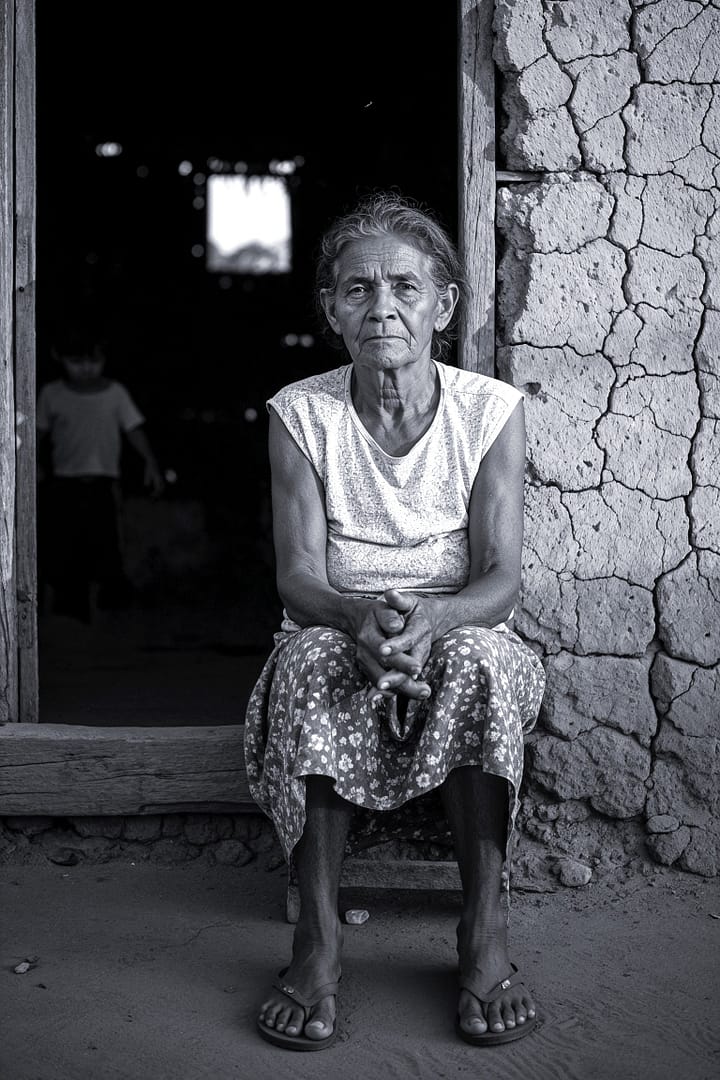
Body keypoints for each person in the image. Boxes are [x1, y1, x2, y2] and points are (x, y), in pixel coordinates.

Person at [244, 192, 546, 1050]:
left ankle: (483, 930)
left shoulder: (489, 410)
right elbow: (298, 573)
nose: (383, 307)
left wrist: (434, 622)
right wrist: (354, 621)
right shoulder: (300, 414)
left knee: (481, 661)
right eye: (359, 289)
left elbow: (501, 575)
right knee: (306, 666)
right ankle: (320, 940)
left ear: (443, 306)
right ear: (332, 308)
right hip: (334, 623)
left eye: (406, 288)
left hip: (462, 623)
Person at [36, 329, 165, 622]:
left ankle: (104, 611)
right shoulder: (51, 394)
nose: (85, 369)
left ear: (103, 360)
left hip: (104, 483)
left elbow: (133, 429)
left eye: (92, 361)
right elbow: (38, 435)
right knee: (63, 547)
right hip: (63, 484)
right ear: (59, 358)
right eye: (76, 361)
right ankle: (66, 609)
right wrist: (35, 467)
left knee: (105, 546)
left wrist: (151, 464)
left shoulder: (115, 393)